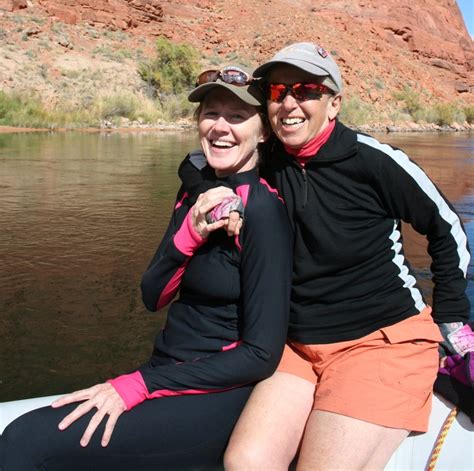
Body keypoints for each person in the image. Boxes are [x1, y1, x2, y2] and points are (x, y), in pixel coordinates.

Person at [0, 66, 293, 471]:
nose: (220, 127)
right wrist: (188, 234)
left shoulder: (264, 213)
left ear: (263, 133)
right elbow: (152, 296)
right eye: (210, 113)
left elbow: (261, 355)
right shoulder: (196, 196)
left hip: (217, 395)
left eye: (237, 117)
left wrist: (139, 385)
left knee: (25, 439)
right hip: (166, 371)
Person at [216, 42, 470, 470]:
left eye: (306, 90)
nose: (290, 102)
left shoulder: (373, 161)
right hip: (297, 347)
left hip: (380, 342)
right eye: (278, 92)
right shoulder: (269, 160)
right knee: (246, 462)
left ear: (333, 104)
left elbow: (446, 229)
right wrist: (222, 200)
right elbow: (202, 161)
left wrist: (451, 315)